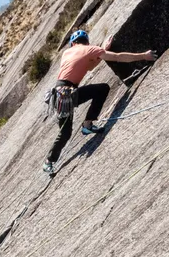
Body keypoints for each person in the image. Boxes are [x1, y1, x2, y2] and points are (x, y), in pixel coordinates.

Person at [44, 30, 158, 176]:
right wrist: (143, 55)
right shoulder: (90, 49)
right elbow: (117, 57)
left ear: (73, 43)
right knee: (102, 89)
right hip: (68, 94)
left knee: (65, 133)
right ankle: (87, 125)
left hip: (58, 95)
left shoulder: (67, 53)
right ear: (87, 41)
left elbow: (89, 65)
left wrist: (102, 50)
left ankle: (48, 161)